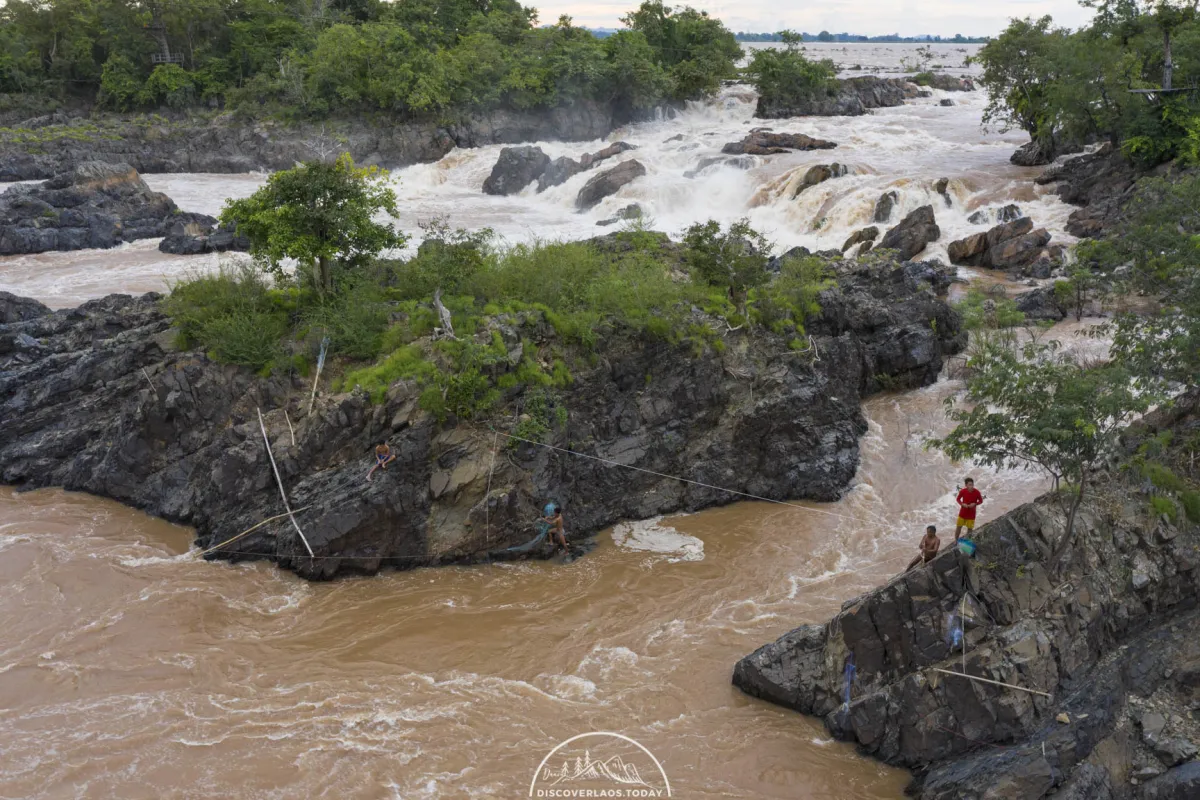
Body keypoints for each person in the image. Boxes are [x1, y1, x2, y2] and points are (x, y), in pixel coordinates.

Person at [954, 477, 985, 542]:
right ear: (966, 485)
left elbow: (981, 501)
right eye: (969, 485)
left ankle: (968, 541)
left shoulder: (977, 492)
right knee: (958, 527)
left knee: (970, 529)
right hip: (962, 513)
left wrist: (975, 504)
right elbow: (958, 499)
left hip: (971, 514)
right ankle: (956, 541)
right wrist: (962, 504)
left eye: (972, 484)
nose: (971, 486)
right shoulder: (963, 491)